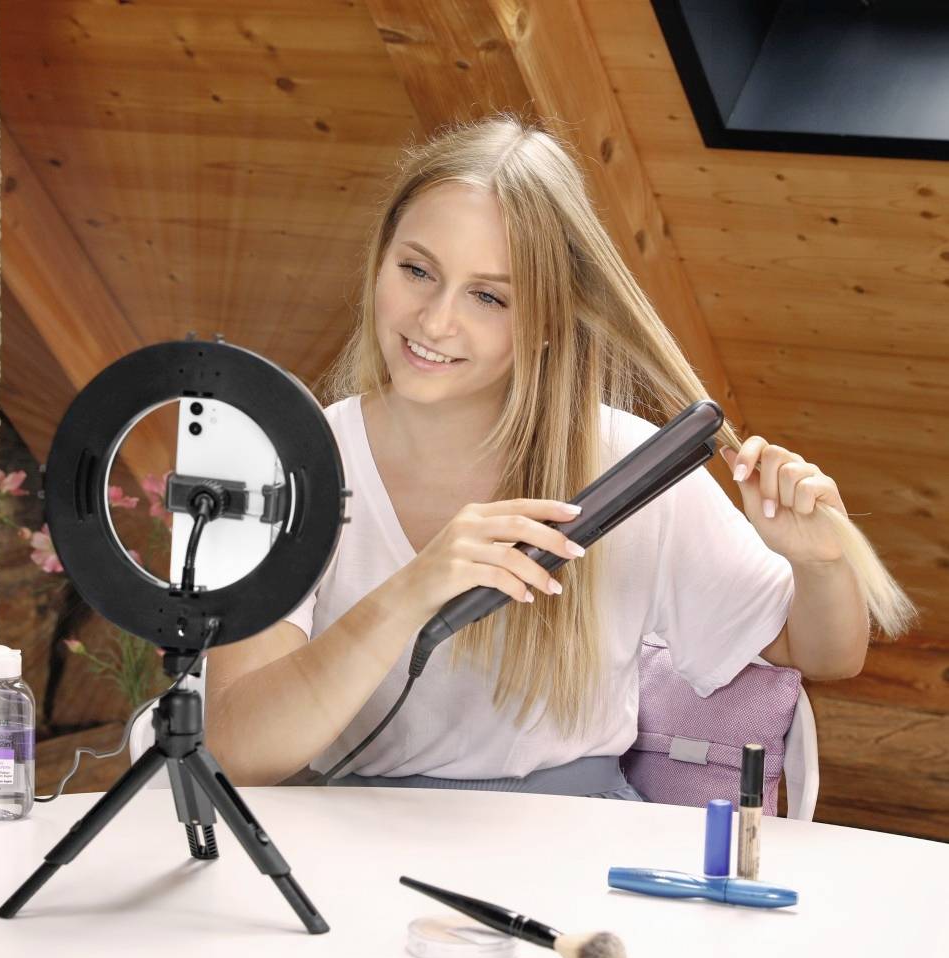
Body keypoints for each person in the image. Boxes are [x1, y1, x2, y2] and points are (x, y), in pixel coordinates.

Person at [204, 115, 914, 798]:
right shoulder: (282, 466)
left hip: (574, 845)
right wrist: (411, 591)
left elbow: (824, 656)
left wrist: (817, 564)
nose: (435, 320)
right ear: (379, 259)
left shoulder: (629, 469)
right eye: (417, 271)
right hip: (347, 846)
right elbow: (241, 752)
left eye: (488, 296)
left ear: (547, 320)